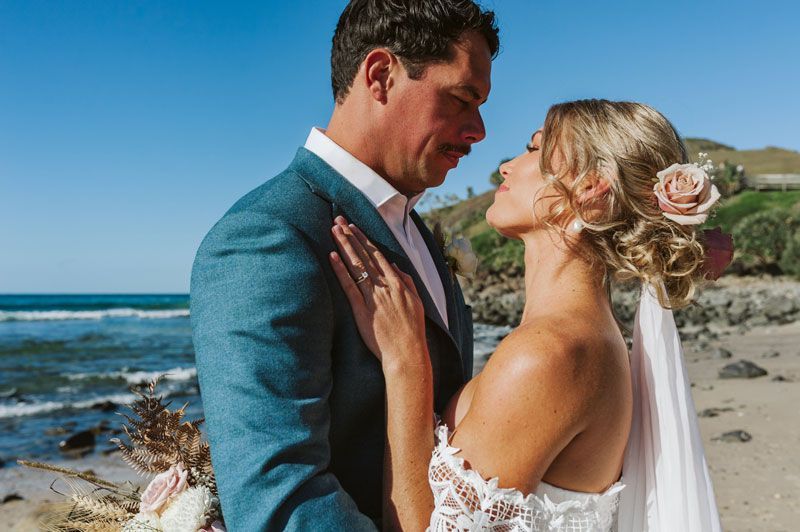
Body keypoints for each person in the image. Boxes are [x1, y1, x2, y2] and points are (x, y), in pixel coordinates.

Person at [328, 99, 724, 531]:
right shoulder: (589, 339)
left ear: (590, 190)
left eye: (535, 150)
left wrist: (405, 362)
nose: (506, 166)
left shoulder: (550, 353)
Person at [190, 1, 499, 529]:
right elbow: (279, 499)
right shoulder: (268, 236)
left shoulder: (418, 228)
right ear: (381, 76)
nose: (479, 130)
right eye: (463, 98)